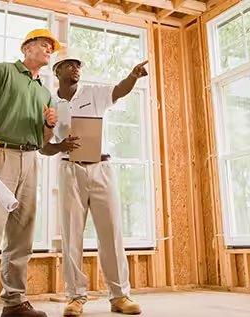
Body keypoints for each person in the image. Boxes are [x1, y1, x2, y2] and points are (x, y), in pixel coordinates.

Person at [40, 48, 149, 316]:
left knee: (111, 232)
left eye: (78, 65)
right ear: (57, 71)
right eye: (70, 65)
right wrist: (60, 145)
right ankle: (75, 297)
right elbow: (43, 147)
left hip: (101, 169)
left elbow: (119, 90)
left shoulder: (94, 93)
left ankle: (120, 296)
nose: (76, 68)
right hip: (70, 170)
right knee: (72, 234)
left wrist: (133, 76)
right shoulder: (50, 104)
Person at [0, 29, 60, 317]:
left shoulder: (45, 92)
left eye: (51, 49)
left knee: (22, 231)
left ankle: (14, 301)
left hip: (30, 159)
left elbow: (43, 142)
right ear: (27, 48)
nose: (48, 51)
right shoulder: (3, 71)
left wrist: (50, 124)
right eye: (44, 45)